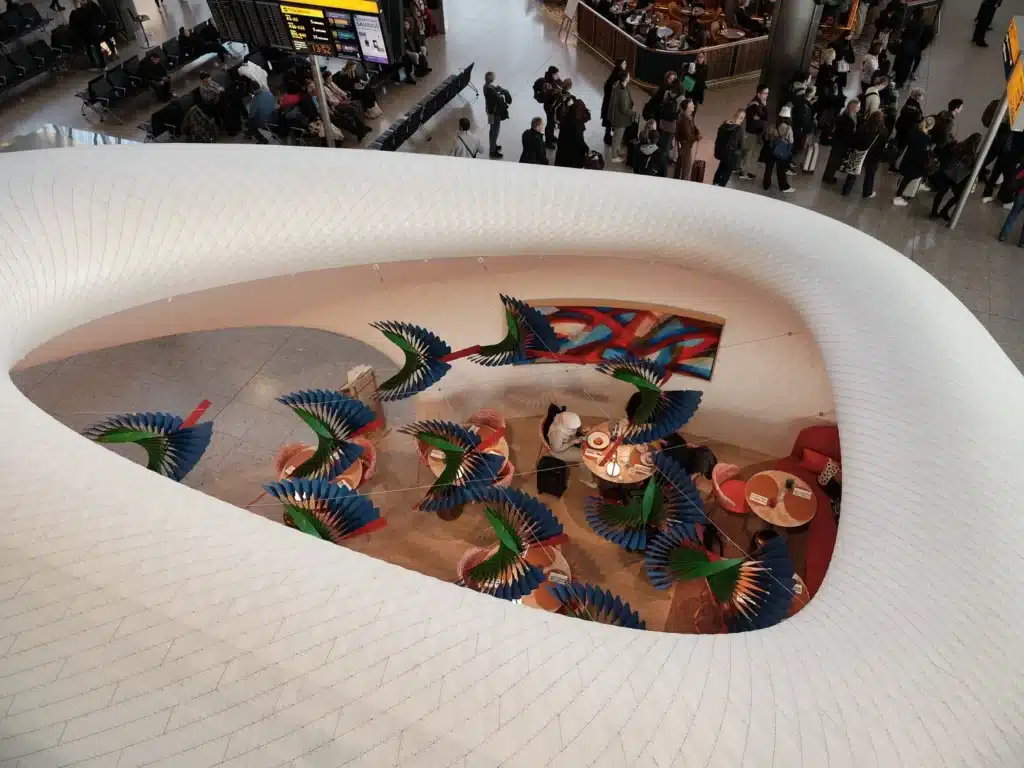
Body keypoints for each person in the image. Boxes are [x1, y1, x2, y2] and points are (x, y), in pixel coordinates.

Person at [930, 133, 982, 220]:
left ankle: (934, 211)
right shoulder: (971, 152)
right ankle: (945, 210)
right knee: (959, 196)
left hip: (948, 171)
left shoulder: (960, 144)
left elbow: (951, 153)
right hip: (957, 176)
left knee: (942, 192)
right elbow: (970, 165)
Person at [843, 110, 888, 197]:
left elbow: (855, 139)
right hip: (873, 156)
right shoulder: (883, 131)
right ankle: (867, 192)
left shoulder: (863, 127)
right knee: (870, 174)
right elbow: (882, 147)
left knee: (853, 171)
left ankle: (846, 190)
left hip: (859, 152)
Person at [545, 410, 596, 488]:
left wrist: (582, 429)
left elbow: (576, 428)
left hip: (568, 441)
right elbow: (556, 449)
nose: (574, 429)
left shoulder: (567, 418)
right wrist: (572, 442)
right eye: (573, 428)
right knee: (584, 457)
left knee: (589, 443)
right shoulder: (557, 433)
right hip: (560, 452)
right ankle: (585, 478)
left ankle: (589, 468)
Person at [893, 116, 935, 206]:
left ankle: (899, 194)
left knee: (906, 178)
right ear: (931, 126)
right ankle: (898, 197)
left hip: (908, 157)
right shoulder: (925, 138)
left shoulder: (915, 130)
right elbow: (923, 152)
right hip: (915, 163)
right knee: (907, 179)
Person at [823, 99, 860, 184]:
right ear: (853, 107)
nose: (859, 108)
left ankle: (827, 176)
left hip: (838, 141)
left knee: (833, 160)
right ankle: (829, 178)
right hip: (841, 143)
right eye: (858, 107)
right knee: (835, 161)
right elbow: (846, 133)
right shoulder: (848, 119)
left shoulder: (847, 116)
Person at [740, 83, 769, 180]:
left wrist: (760, 117)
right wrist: (764, 108)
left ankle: (740, 167)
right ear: (759, 94)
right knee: (748, 152)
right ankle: (744, 172)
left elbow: (762, 117)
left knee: (746, 151)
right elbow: (765, 116)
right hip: (751, 132)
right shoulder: (755, 105)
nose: (766, 96)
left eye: (767, 93)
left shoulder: (758, 103)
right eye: (765, 93)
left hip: (752, 131)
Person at [762, 107, 794, 193]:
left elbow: (766, 137)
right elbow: (791, 142)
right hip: (781, 152)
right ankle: (783, 186)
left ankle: (766, 184)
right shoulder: (788, 129)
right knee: (781, 170)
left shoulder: (772, 126)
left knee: (768, 168)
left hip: (771, 149)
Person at [891, 88, 924, 169]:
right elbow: (917, 120)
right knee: (901, 148)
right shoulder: (916, 107)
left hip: (900, 127)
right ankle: (894, 166)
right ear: (918, 97)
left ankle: (892, 162)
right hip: (907, 130)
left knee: (897, 145)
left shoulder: (908, 102)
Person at [554, 95, 590, 169]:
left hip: (562, 152)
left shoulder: (564, 118)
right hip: (573, 156)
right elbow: (579, 139)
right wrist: (586, 149)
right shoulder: (577, 123)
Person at [712, 108, 746, 186]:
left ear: (734, 115)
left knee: (720, 169)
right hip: (731, 156)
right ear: (742, 119)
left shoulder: (725, 125)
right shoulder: (739, 130)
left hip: (722, 153)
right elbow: (741, 146)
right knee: (726, 174)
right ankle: (720, 188)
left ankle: (714, 184)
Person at [607, 69, 635, 163]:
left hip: (616, 116)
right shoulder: (622, 91)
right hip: (620, 118)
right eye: (628, 76)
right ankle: (614, 157)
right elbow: (624, 109)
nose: (629, 77)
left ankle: (617, 151)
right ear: (625, 78)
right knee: (617, 137)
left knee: (617, 136)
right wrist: (634, 113)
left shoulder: (617, 85)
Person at [893, 7, 925, 88]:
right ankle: (902, 81)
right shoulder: (922, 24)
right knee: (907, 64)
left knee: (900, 62)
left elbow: (904, 33)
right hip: (913, 46)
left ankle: (897, 79)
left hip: (905, 44)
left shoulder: (909, 23)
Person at [483, 71, 512, 159]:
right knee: (495, 131)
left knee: (493, 130)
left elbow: (495, 93)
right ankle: (492, 151)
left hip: (490, 111)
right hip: (494, 113)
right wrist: (502, 94)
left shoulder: (486, 86)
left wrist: (499, 91)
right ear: (491, 78)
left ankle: (493, 145)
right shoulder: (489, 89)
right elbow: (498, 98)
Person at [69, 0, 104, 70]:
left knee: (89, 50)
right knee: (98, 49)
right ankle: (103, 64)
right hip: (93, 32)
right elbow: (97, 17)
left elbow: (72, 26)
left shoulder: (74, 13)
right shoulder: (89, 9)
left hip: (85, 34)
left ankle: (94, 65)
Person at [601, 59, 628, 145]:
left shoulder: (615, 73)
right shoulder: (619, 75)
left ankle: (608, 136)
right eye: (623, 63)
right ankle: (609, 138)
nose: (625, 64)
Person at [535, 65, 562, 149]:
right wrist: (554, 92)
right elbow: (547, 95)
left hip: (554, 105)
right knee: (550, 123)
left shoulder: (555, 80)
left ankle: (551, 136)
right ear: (552, 74)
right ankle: (548, 142)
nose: (557, 75)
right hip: (549, 106)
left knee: (552, 123)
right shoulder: (546, 83)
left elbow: (560, 84)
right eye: (556, 74)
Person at [674, 98, 700, 180]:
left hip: (687, 145)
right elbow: (688, 136)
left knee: (683, 164)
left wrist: (697, 131)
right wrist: (697, 137)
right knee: (686, 167)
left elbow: (693, 126)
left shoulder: (689, 116)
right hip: (684, 145)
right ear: (687, 108)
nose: (694, 106)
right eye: (692, 105)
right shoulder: (683, 119)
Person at [931, 99, 963, 166]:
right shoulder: (950, 121)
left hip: (932, 139)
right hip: (939, 146)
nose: (962, 108)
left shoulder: (943, 113)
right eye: (961, 107)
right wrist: (951, 140)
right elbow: (945, 137)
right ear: (956, 108)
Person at [997, 174, 1024, 246]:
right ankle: (1022, 242)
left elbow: (1018, 176)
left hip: (1022, 194)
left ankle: (1002, 235)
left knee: (1013, 215)